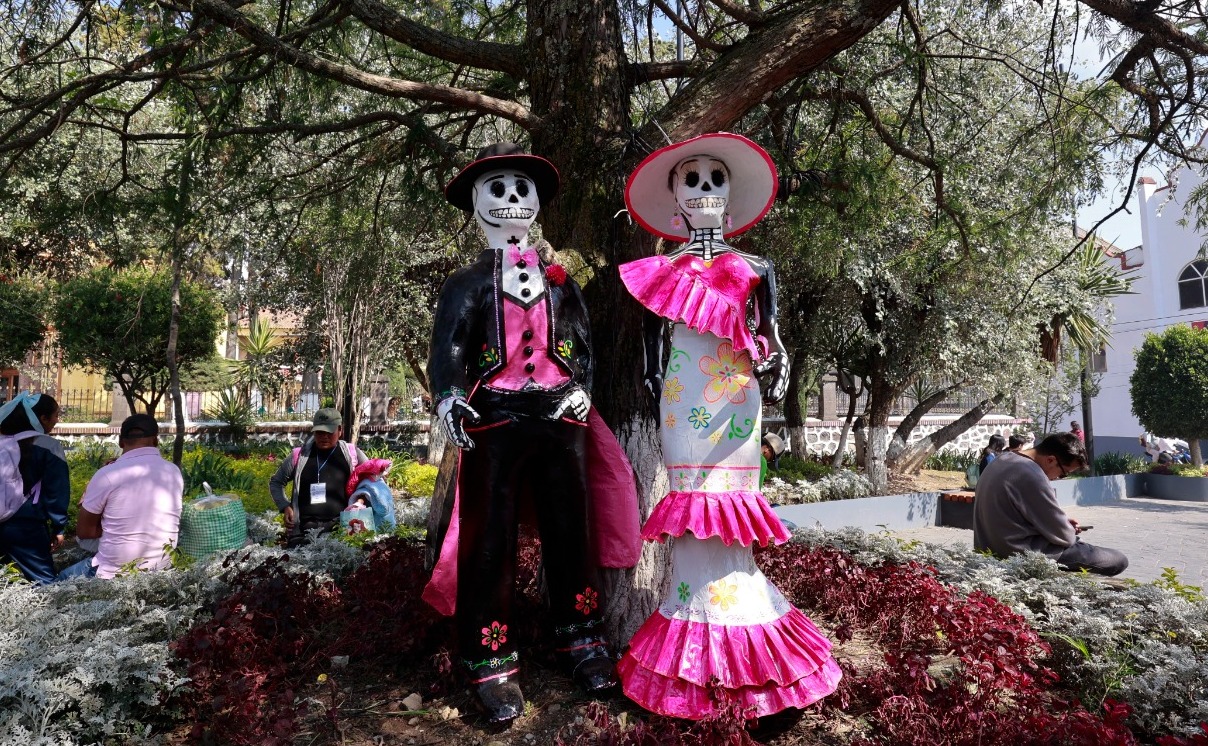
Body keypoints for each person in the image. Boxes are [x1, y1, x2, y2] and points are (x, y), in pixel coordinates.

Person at [615, 133, 841, 720]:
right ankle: (695, 638)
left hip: (738, 395)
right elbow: (651, 347)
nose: (704, 189)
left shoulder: (757, 268)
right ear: (675, 200)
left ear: (731, 195)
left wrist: (778, 361)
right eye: (691, 179)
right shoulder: (661, 270)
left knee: (732, 511)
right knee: (692, 508)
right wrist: (651, 383)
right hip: (682, 400)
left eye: (715, 178)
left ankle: (742, 636)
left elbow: (772, 335)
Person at [422, 143, 640, 724]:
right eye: (497, 188)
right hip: (493, 418)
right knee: (488, 540)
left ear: (538, 201)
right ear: (476, 203)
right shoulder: (464, 283)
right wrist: (449, 399)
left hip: (560, 418)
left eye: (522, 188)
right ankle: (489, 659)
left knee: (572, 532)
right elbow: (448, 349)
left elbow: (583, 345)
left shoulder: (561, 282)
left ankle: (581, 638)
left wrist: (581, 387)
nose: (512, 198)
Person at [973, 432, 1128, 576]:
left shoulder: (1001, 460)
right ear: (1051, 460)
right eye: (1063, 474)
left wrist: (1060, 524)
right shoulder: (1031, 474)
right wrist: (1066, 527)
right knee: (1118, 559)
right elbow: (1066, 537)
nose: (1058, 478)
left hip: (990, 546)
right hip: (1020, 553)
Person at [58, 414, 183, 580]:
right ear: (156, 440)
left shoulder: (108, 474)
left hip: (113, 572)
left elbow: (84, 532)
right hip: (162, 566)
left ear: (120, 441)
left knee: (59, 579)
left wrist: (115, 526)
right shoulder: (173, 471)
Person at [269, 408, 368, 548]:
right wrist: (285, 506)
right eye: (320, 432)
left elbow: (372, 481)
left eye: (329, 432)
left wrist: (360, 501)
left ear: (340, 430)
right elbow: (276, 482)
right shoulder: (299, 456)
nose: (324, 436)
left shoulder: (353, 454)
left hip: (341, 530)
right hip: (303, 532)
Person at [0, 393, 69, 584]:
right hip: (26, 525)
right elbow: (56, 490)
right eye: (56, 415)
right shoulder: (48, 445)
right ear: (43, 418)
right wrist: (59, 527)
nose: (57, 420)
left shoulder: (2, 441)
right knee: (45, 583)